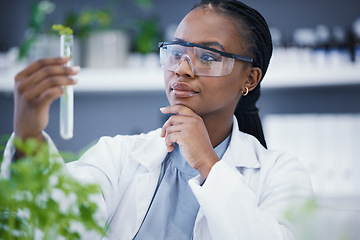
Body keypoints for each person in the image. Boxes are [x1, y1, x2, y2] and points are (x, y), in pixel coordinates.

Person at [2, 0, 313, 239]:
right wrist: (29, 135)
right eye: (176, 52)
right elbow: (58, 224)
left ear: (250, 78)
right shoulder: (119, 156)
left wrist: (207, 164)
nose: (182, 68)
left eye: (207, 56)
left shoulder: (281, 174)